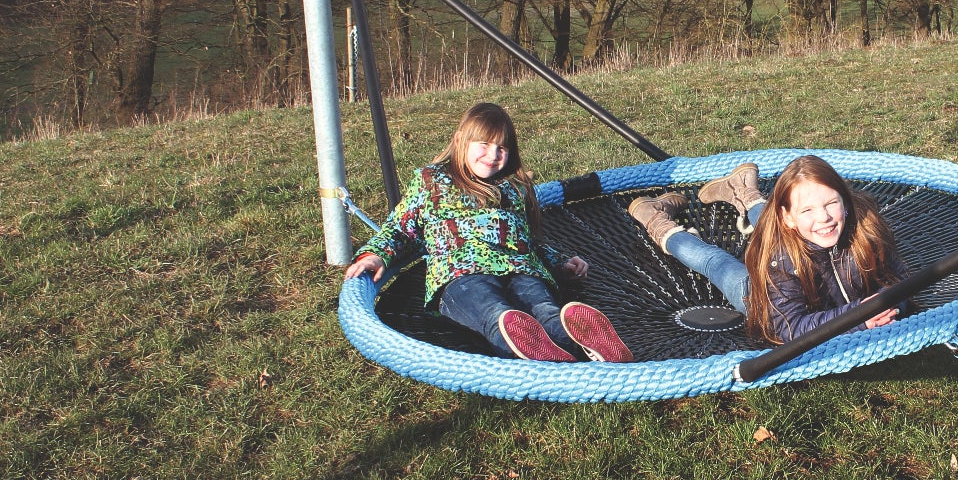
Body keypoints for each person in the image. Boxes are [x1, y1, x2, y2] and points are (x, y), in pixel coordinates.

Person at [344, 102, 630, 363]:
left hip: (519, 267)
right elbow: (400, 226)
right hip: (460, 273)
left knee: (545, 309)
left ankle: (587, 345)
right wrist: (376, 255)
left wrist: (560, 262)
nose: (493, 156)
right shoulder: (433, 181)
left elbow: (527, 241)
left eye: (502, 149)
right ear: (460, 141)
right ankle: (523, 342)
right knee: (493, 311)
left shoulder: (512, 189)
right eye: (484, 144)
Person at [628, 155, 906, 344]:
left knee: (802, 227)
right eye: (808, 208)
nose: (824, 217)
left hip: (831, 298)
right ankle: (655, 218)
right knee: (715, 262)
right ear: (787, 217)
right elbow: (788, 327)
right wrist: (857, 317)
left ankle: (740, 189)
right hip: (759, 297)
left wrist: (886, 306)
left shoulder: (865, 228)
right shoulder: (781, 258)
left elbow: (900, 280)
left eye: (831, 204)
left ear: (845, 202)